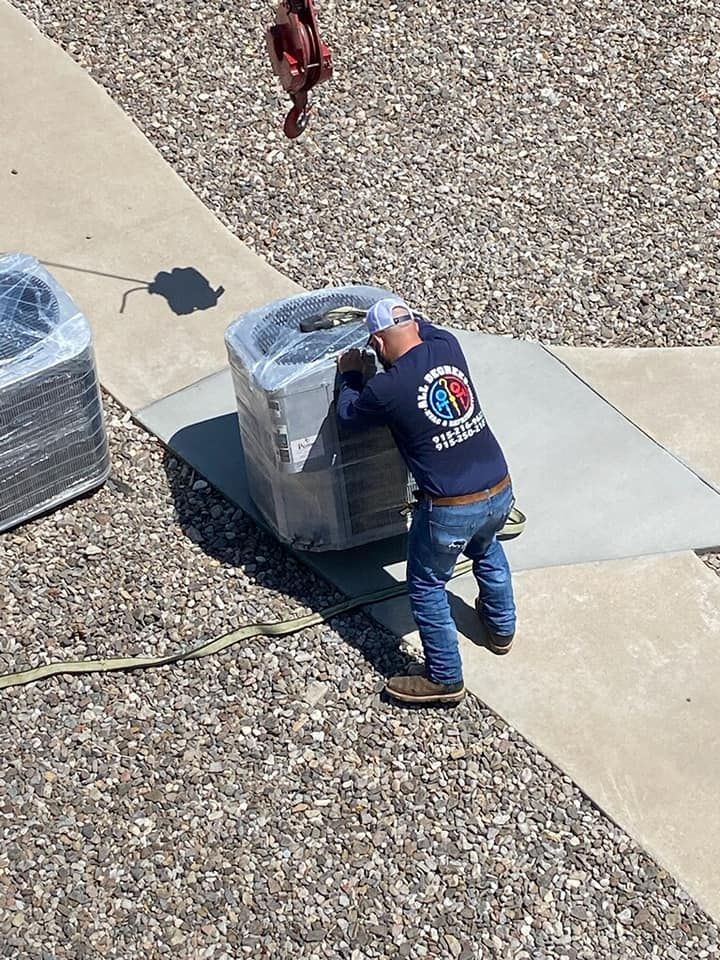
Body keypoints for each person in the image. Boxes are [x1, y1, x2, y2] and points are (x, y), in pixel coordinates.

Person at [336, 297, 516, 705]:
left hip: (450, 507)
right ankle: (501, 629)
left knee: (426, 583)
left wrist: (350, 376)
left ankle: (444, 678)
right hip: (500, 487)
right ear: (413, 326)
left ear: (379, 347)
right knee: (487, 547)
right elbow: (424, 328)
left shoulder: (386, 388)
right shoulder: (448, 345)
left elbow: (348, 417)